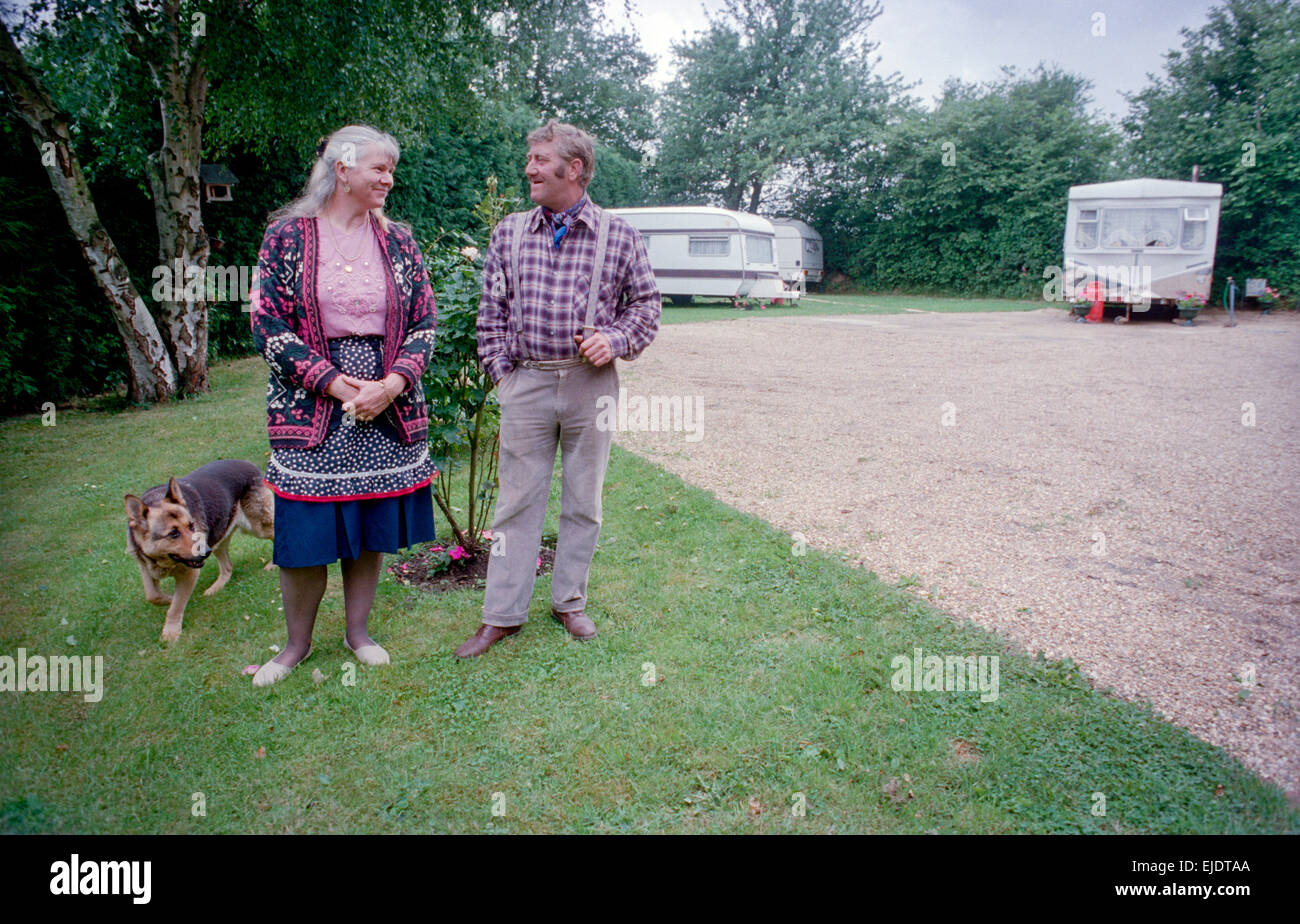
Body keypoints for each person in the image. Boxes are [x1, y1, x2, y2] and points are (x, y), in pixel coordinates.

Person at [455, 119, 660, 658]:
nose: (529, 169)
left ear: (574, 169)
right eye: (531, 160)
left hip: (591, 386)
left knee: (583, 500)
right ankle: (501, 614)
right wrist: (504, 375)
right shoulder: (509, 231)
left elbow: (647, 308)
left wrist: (613, 340)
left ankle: (569, 601)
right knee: (515, 503)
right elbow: (490, 312)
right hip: (526, 381)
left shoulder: (619, 235)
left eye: (540, 161)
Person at [249, 124, 437, 686]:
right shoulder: (286, 237)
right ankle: (295, 646)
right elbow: (268, 324)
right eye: (379, 168)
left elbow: (425, 322)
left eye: (391, 169)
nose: (389, 178)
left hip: (386, 401)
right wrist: (332, 382)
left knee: (369, 517)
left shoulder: (399, 241)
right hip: (312, 407)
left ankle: (359, 634)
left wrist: (393, 383)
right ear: (343, 168)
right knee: (305, 530)